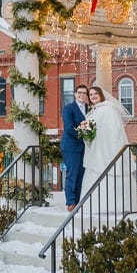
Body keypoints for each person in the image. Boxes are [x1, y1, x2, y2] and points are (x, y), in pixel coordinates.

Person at [80, 86, 136, 214]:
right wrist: (86, 133)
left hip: (108, 148)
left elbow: (114, 129)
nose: (93, 96)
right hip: (96, 149)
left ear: (101, 95)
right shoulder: (93, 111)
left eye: (96, 94)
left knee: (109, 171)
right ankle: (94, 206)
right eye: (91, 94)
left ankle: (115, 206)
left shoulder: (108, 108)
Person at [61, 84, 89, 212]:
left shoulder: (89, 109)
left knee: (81, 174)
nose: (82, 94)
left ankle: (78, 201)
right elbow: (68, 127)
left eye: (84, 93)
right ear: (75, 94)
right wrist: (83, 134)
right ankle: (71, 202)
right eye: (79, 92)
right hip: (71, 146)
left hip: (85, 147)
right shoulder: (69, 108)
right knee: (72, 174)